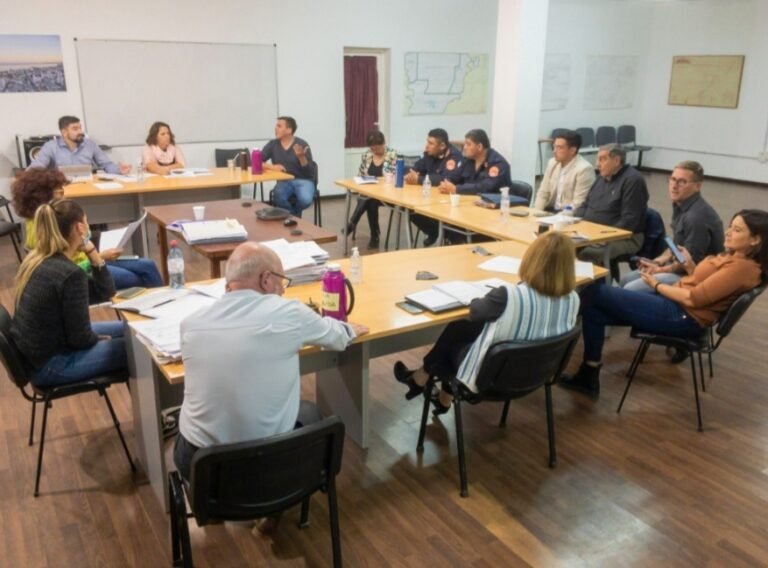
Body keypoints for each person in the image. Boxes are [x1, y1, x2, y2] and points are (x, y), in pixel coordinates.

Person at [174, 241, 369, 487]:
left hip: (199, 463)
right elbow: (337, 336)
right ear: (266, 279)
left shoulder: (190, 324)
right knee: (310, 412)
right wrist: (349, 330)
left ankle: (208, 504)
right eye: (281, 281)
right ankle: (277, 502)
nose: (283, 291)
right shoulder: (289, 313)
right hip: (267, 464)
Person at [559, 209, 767, 399]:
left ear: (755, 239)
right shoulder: (734, 257)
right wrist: (690, 267)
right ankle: (588, 373)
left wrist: (656, 285)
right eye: (730, 226)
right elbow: (707, 287)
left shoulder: (743, 269)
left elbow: (694, 299)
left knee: (595, 292)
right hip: (677, 307)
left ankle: (554, 345)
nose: (728, 232)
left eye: (737, 230)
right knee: (594, 310)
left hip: (682, 316)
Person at [392, 232, 580, 414]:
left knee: (460, 328)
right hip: (537, 374)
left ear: (531, 261)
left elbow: (475, 311)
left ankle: (422, 379)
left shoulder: (508, 296)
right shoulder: (573, 299)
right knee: (473, 328)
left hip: (493, 377)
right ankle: (440, 396)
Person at [10, 199, 127, 386]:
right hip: (51, 365)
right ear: (80, 228)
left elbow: (105, 292)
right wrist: (96, 340)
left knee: (130, 329)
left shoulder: (39, 260)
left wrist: (92, 252)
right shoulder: (69, 274)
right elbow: (80, 338)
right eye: (87, 222)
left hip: (41, 354)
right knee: (137, 347)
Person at [11, 168, 163, 298]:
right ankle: (159, 310)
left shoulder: (52, 216)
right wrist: (100, 256)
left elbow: (82, 240)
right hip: (83, 270)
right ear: (43, 195)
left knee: (147, 265)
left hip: (90, 260)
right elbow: (65, 270)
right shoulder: (40, 228)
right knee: (137, 278)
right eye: (60, 192)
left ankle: (163, 307)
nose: (64, 196)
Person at [621, 160, 724, 293]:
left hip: (694, 276)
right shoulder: (681, 204)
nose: (674, 186)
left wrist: (660, 270)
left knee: (630, 288)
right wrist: (657, 261)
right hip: (679, 267)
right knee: (626, 279)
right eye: (672, 179)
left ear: (697, 186)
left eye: (682, 182)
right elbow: (676, 246)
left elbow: (687, 264)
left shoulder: (695, 217)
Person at [574, 144, 649, 266]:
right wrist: (574, 222)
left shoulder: (633, 180)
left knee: (587, 254)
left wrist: (603, 237)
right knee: (561, 246)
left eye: (602, 159)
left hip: (624, 238)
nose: (597, 164)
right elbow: (585, 205)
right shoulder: (601, 178)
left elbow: (629, 220)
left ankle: (596, 279)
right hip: (591, 233)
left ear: (617, 160)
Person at [406, 128, 463, 245]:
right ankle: (434, 232)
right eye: (427, 142)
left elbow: (445, 179)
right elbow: (417, 168)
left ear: (442, 146)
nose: (426, 146)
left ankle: (447, 236)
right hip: (429, 196)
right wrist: (411, 175)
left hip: (446, 201)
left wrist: (419, 179)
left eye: (431, 143)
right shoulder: (429, 153)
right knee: (409, 208)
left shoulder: (454, 156)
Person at [345, 130, 398, 249]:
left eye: (377, 148)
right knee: (370, 201)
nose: (375, 151)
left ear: (384, 143)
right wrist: (361, 180)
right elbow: (360, 174)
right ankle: (374, 236)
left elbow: (392, 176)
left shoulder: (392, 155)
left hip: (387, 194)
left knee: (368, 199)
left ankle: (353, 223)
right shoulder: (367, 155)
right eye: (372, 148)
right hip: (370, 193)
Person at [27, 115, 130, 174]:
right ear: (64, 132)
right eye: (75, 129)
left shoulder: (90, 144)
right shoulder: (50, 146)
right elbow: (36, 167)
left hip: (86, 187)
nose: (80, 131)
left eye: (80, 128)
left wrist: (119, 170)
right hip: (62, 189)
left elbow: (106, 164)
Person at [262, 116, 317, 217]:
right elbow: (256, 162)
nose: (275, 128)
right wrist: (272, 167)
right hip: (284, 181)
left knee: (305, 200)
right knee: (278, 197)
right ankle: (293, 216)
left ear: (289, 130)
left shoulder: (302, 144)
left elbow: (310, 172)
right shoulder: (273, 144)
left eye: (279, 126)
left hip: (303, 180)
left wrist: (301, 157)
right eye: (276, 126)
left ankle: (292, 216)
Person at [533, 130, 596, 212]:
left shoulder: (584, 169)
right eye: (554, 147)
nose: (554, 151)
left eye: (559, 148)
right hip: (550, 210)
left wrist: (559, 217)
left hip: (569, 214)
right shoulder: (552, 163)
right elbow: (543, 192)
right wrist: (536, 212)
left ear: (572, 150)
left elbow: (578, 203)